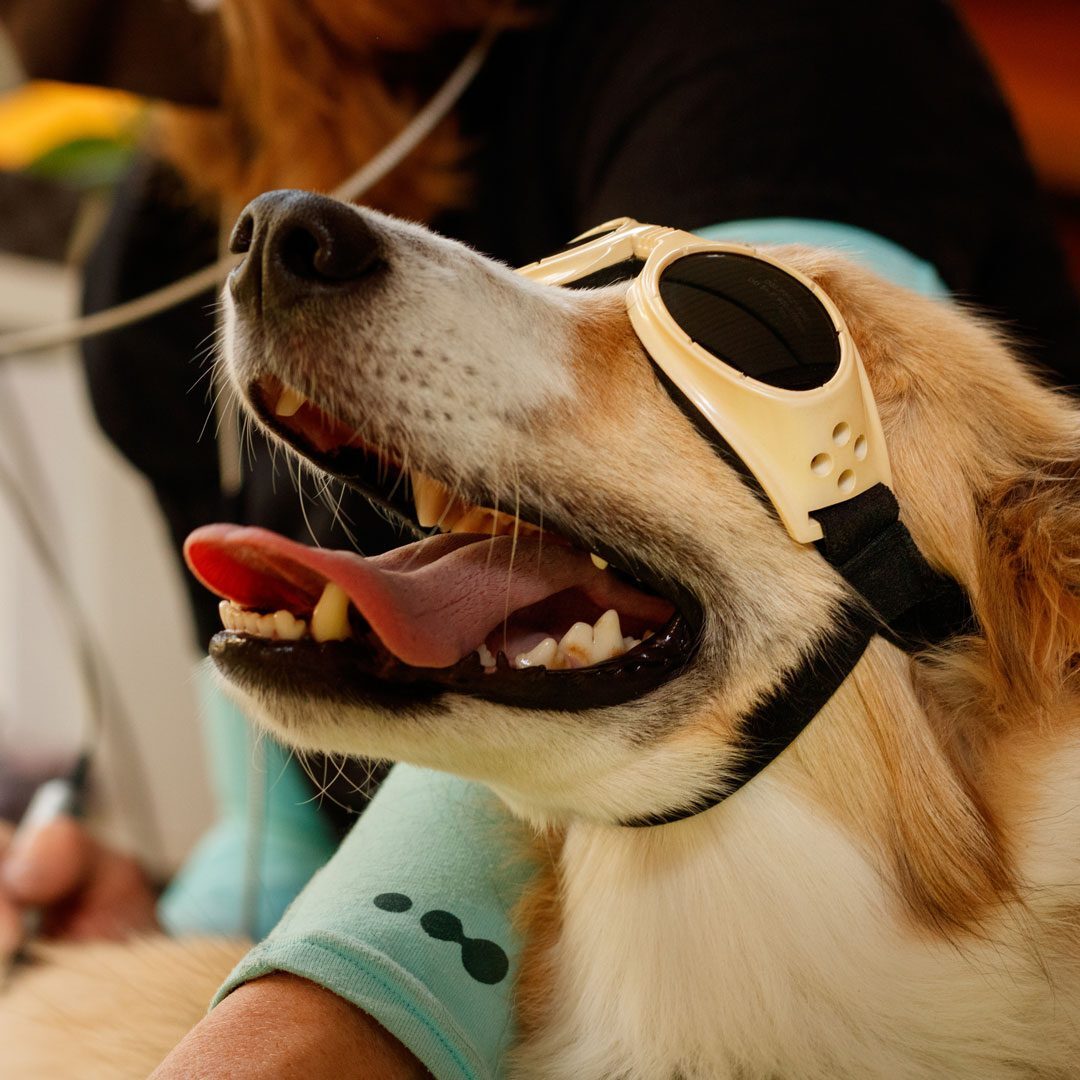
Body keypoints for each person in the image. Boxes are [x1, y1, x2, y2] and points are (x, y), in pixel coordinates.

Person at [2, 2, 1079, 1077]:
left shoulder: (783, 46)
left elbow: (821, 495)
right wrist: (157, 926)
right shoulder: (159, 249)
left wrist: (331, 992)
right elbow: (277, 839)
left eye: (716, 324)